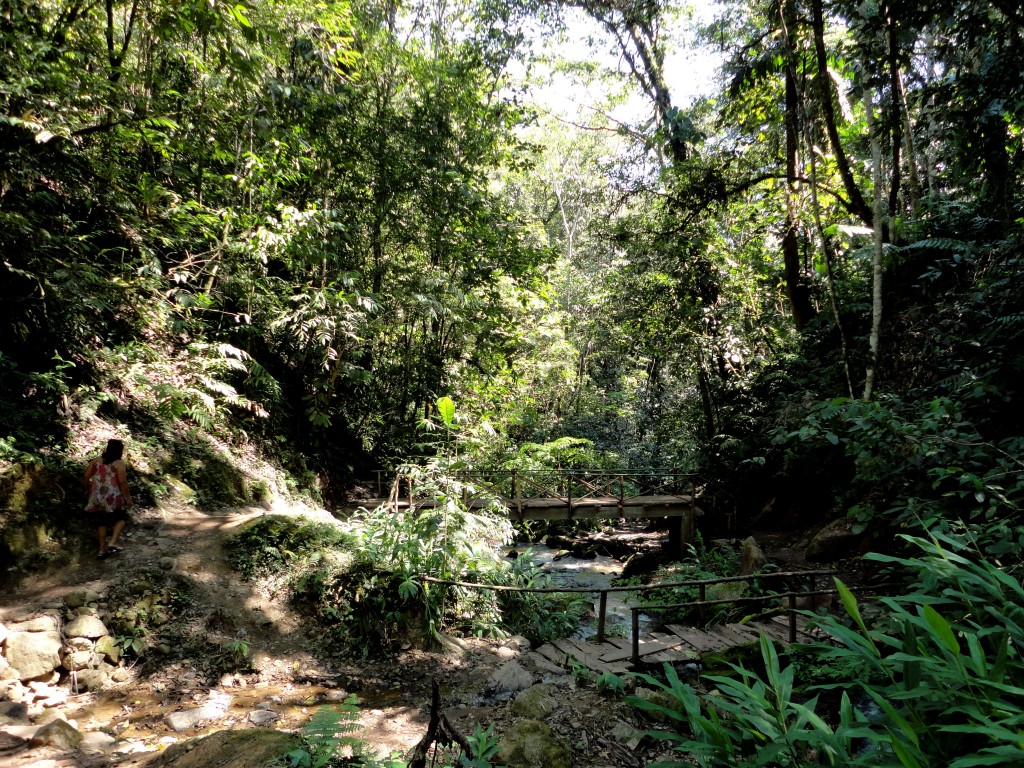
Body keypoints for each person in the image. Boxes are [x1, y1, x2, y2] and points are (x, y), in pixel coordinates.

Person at [83, 438, 133, 559]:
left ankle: (102, 549)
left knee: (101, 521)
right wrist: (128, 498)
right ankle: (112, 542)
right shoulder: (119, 463)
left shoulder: (96, 461)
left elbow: (86, 476)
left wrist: (88, 489)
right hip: (113, 496)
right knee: (121, 518)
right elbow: (122, 482)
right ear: (120, 451)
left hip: (97, 495)